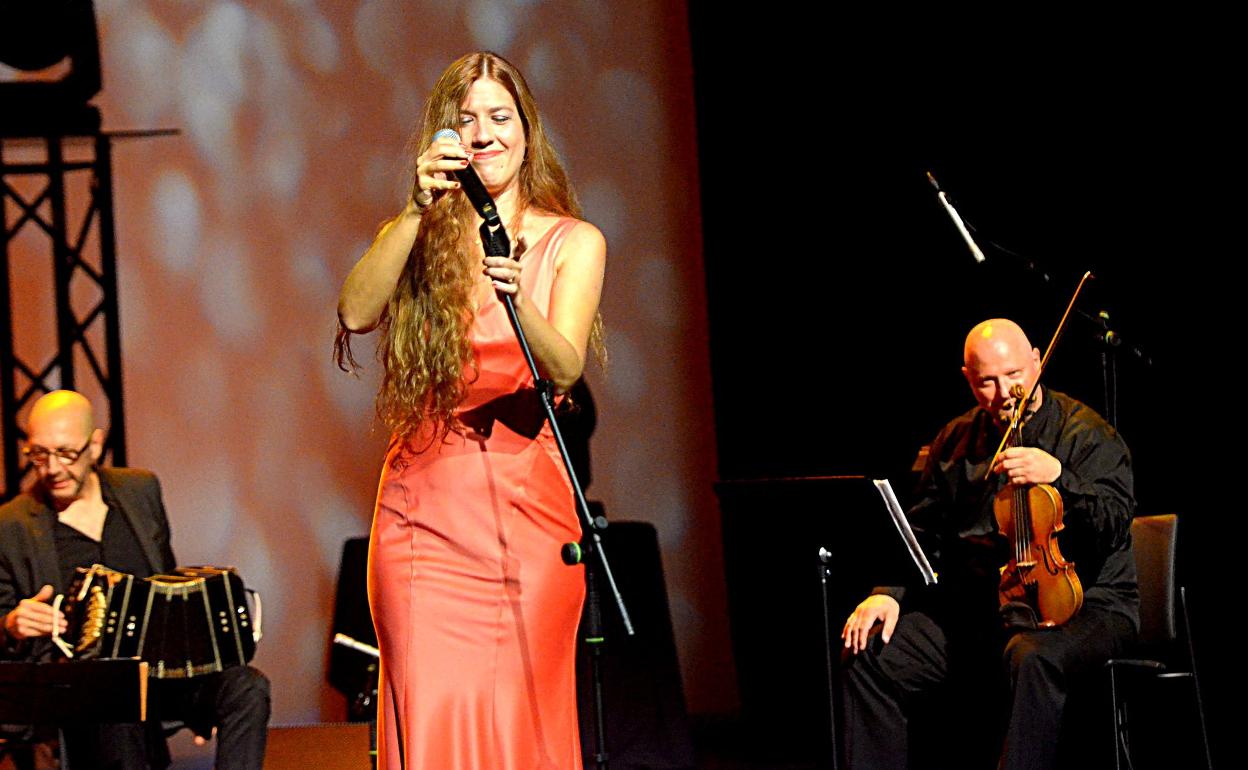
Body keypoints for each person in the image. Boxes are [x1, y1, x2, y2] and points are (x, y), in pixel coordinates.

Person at [335, 52, 606, 770]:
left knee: (524, 723)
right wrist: (414, 212)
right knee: (431, 716)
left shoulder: (573, 242)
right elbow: (356, 310)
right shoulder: (419, 233)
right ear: (443, 136)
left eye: (499, 117)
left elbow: (565, 365)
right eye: (466, 119)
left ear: (527, 130)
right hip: (421, 522)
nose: (484, 134)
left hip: (527, 521)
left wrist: (517, 299)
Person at [839, 319, 1138, 770]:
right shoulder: (956, 440)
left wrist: (1060, 479)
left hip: (1090, 607)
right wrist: (887, 593)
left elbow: (1114, 524)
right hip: (989, 611)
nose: (1005, 395)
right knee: (873, 654)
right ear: (968, 380)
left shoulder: (1086, 433)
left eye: (1015, 376)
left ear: (1037, 361)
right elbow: (924, 532)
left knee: (1031, 657)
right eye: (988, 382)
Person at [0, 390, 270, 770]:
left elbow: (168, 591)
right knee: (116, 693)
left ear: (95, 445)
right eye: (39, 454)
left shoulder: (139, 491)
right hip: (82, 692)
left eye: (66, 453)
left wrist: (198, 665)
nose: (52, 468)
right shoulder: (12, 525)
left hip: (158, 674)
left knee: (247, 687)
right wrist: (12, 625)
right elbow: (2, 627)